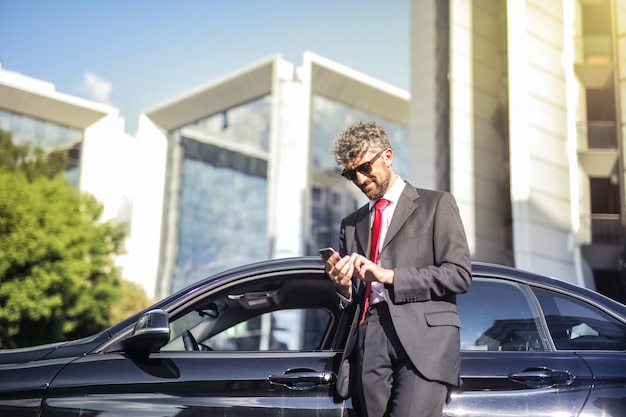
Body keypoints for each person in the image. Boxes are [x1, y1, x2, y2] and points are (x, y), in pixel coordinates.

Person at [321, 121, 472, 417]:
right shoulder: (351, 224)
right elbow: (350, 301)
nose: (361, 180)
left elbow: (459, 274)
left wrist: (388, 275)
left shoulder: (436, 204)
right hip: (369, 336)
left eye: (365, 168)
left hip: (424, 338)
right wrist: (341, 285)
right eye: (351, 174)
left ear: (388, 156)